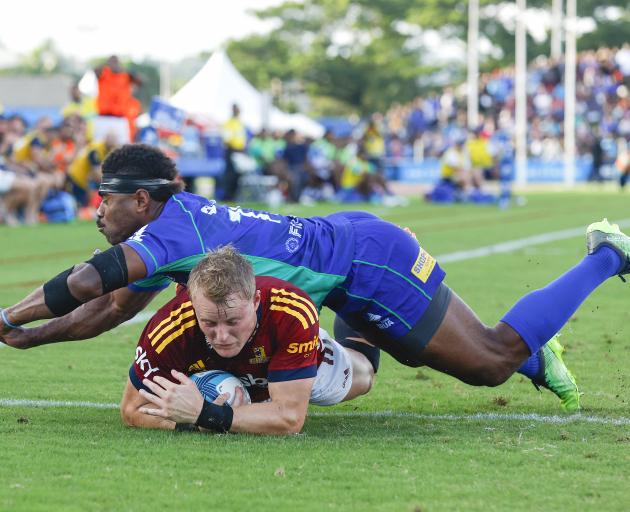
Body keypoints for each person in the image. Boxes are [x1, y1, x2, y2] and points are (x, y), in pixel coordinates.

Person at [1, 144, 584, 412]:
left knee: (488, 360)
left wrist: (12, 315)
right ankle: (540, 356)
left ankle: (606, 254)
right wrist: (30, 338)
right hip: (345, 261)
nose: (98, 211)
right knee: (396, 360)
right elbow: (105, 309)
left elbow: (85, 284)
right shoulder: (171, 234)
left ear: (143, 202)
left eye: (106, 200)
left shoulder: (170, 232)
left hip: (368, 261)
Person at [121, 246, 373, 434]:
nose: (221, 336)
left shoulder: (291, 312)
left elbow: (289, 418)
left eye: (233, 321)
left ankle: (359, 314)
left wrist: (207, 415)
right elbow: (132, 409)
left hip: (290, 369)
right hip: (221, 374)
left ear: (255, 301)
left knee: (364, 376)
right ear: (193, 306)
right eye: (208, 322)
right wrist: (189, 425)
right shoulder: (170, 328)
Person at [221, 104, 247, 201]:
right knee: (230, 175)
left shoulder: (239, 123)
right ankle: (227, 197)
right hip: (232, 151)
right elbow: (227, 139)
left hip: (240, 152)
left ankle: (234, 196)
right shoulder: (229, 123)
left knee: (237, 175)